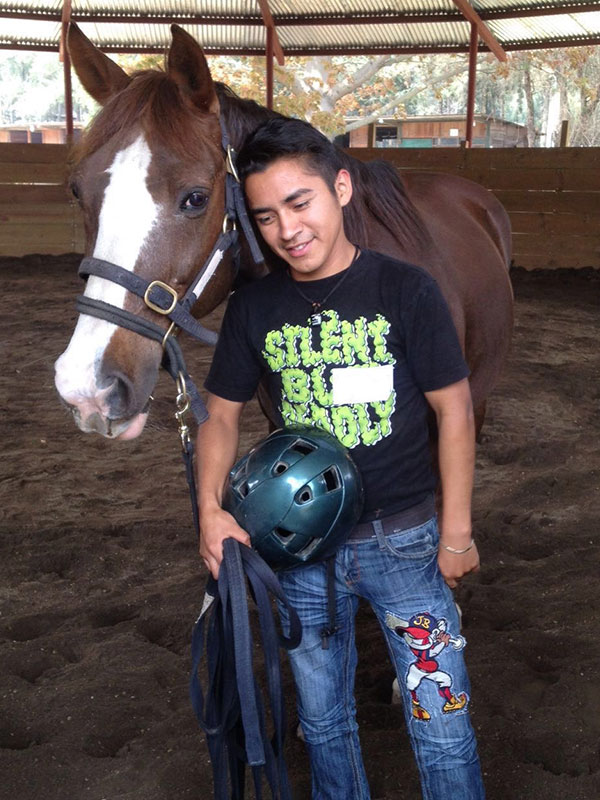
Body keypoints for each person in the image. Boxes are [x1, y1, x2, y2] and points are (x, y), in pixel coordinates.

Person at [196, 116, 484, 800]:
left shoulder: (405, 291)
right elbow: (221, 415)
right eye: (266, 216)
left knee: (441, 722)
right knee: (323, 724)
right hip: (297, 551)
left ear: (342, 188)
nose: (287, 228)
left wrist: (457, 531)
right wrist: (209, 510)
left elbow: (455, 409)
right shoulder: (254, 307)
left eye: (301, 203)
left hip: (407, 542)